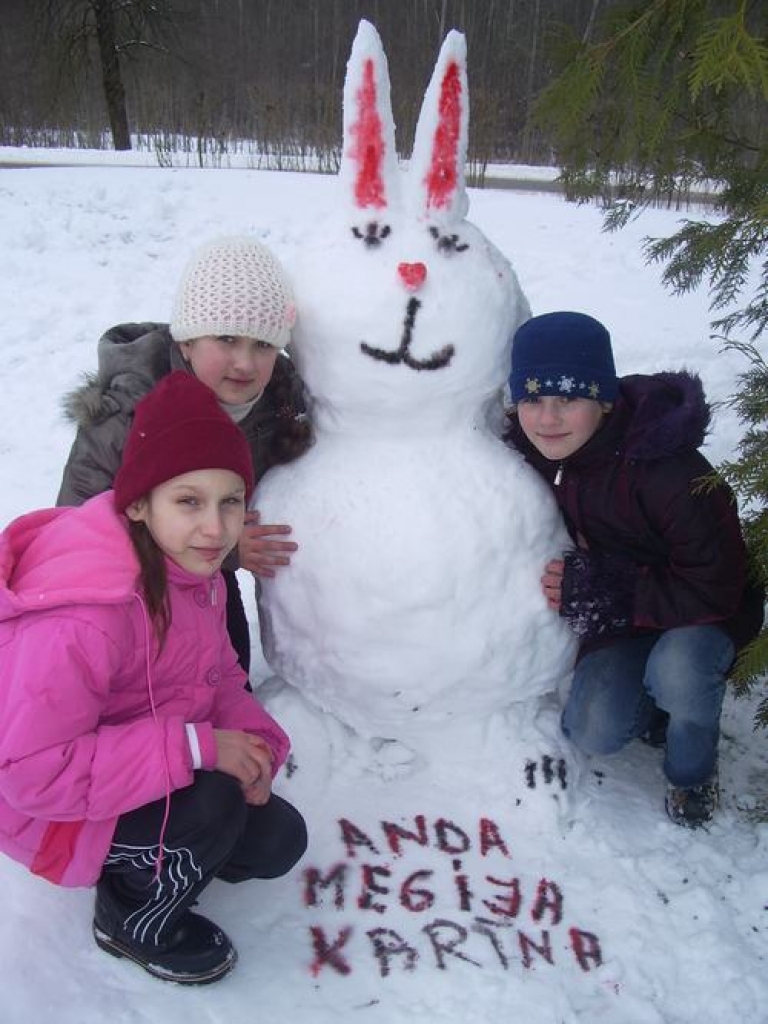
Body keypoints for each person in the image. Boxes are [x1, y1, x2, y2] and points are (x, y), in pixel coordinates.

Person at [0, 372, 308, 984]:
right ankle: (131, 917)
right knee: (213, 804)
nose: (216, 530)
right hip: (49, 815)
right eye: (188, 501)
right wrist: (197, 750)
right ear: (138, 503)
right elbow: (32, 773)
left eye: (230, 502)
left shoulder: (188, 575)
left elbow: (218, 677)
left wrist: (256, 743)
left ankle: (169, 850)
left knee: (277, 841)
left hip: (131, 765)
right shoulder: (85, 618)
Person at [504, 311, 764, 828]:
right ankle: (655, 708)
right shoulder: (553, 451)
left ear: (603, 400)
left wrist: (608, 591)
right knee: (592, 729)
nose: (548, 417)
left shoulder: (670, 473)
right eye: (533, 399)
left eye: (568, 399)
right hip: (629, 611)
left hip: (704, 614)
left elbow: (716, 587)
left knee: (678, 674)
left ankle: (691, 770)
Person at [57, 235, 311, 677]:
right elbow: (74, 534)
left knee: (226, 674)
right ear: (187, 340)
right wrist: (229, 548)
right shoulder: (128, 411)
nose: (246, 364)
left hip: (211, 577)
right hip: (127, 588)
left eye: (264, 345)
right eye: (227, 338)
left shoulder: (279, 402)